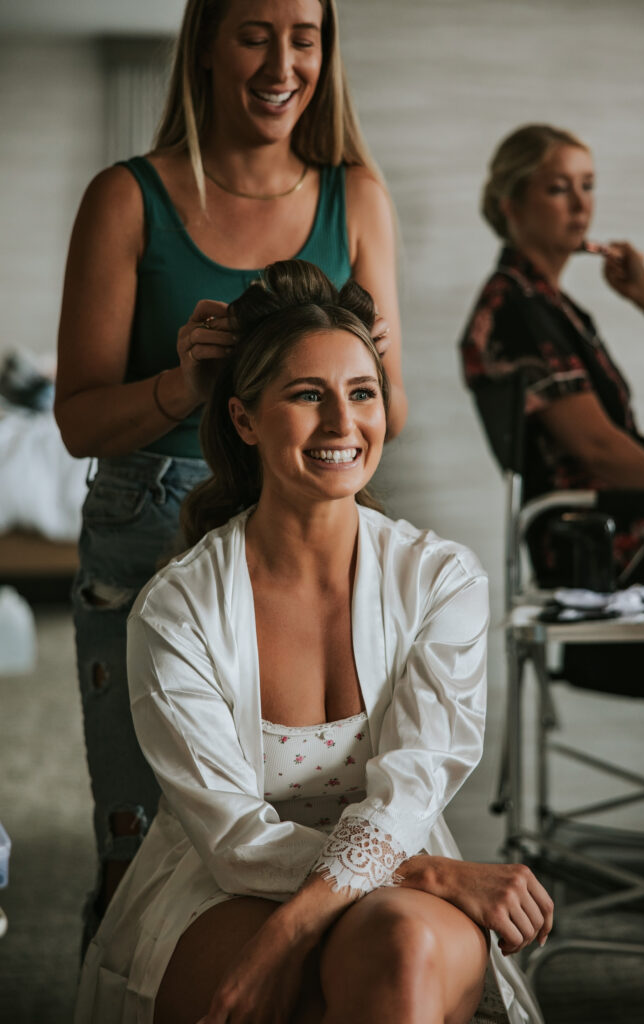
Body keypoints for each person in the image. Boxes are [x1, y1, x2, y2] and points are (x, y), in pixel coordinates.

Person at [75, 260, 552, 1024]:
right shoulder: (176, 608)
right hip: (228, 879)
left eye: (362, 393)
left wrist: (295, 928)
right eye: (307, 395)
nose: (342, 424)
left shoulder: (443, 581)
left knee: (398, 953)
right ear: (243, 419)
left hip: (396, 865)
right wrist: (430, 873)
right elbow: (232, 841)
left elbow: (411, 784)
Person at [54, 0, 407, 923]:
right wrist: (181, 386)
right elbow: (78, 420)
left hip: (305, 532)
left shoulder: (357, 195)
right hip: (146, 524)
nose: (283, 62)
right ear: (205, 44)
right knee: (137, 845)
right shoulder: (125, 197)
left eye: (306, 36)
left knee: (306, 818)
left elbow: (390, 406)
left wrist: (336, 370)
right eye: (254, 33)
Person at [459, 123, 644, 589]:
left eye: (588, 186)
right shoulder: (516, 309)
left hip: (623, 511)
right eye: (559, 189)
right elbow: (597, 448)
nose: (581, 205)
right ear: (511, 205)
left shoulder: (550, 306)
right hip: (594, 531)